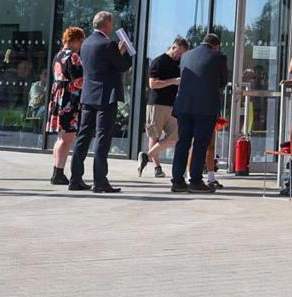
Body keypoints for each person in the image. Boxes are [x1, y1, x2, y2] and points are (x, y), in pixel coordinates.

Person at [72, 11, 131, 194]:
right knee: (102, 138)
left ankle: (75, 179)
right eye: (111, 24)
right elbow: (123, 66)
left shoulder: (86, 43)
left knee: (83, 136)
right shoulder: (108, 44)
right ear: (107, 24)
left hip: (88, 95)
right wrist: (123, 52)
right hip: (106, 96)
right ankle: (99, 181)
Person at [171, 28, 231, 194]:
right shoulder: (218, 57)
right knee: (200, 144)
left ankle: (177, 181)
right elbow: (223, 81)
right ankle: (195, 181)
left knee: (183, 142)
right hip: (205, 107)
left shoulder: (186, 56)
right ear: (216, 46)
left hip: (184, 106)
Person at [139, 36, 184, 179]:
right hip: (157, 103)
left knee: (176, 136)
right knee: (154, 135)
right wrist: (173, 81)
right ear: (173, 47)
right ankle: (157, 167)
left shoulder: (179, 64)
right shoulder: (159, 61)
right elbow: (153, 84)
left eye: (182, 54)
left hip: (172, 105)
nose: (179, 56)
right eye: (179, 52)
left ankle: (146, 156)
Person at [46, 25, 86, 185]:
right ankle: (59, 173)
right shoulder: (73, 57)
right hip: (69, 98)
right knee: (67, 137)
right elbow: (78, 80)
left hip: (58, 95)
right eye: (81, 41)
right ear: (76, 40)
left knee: (60, 137)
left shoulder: (58, 55)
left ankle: (56, 170)